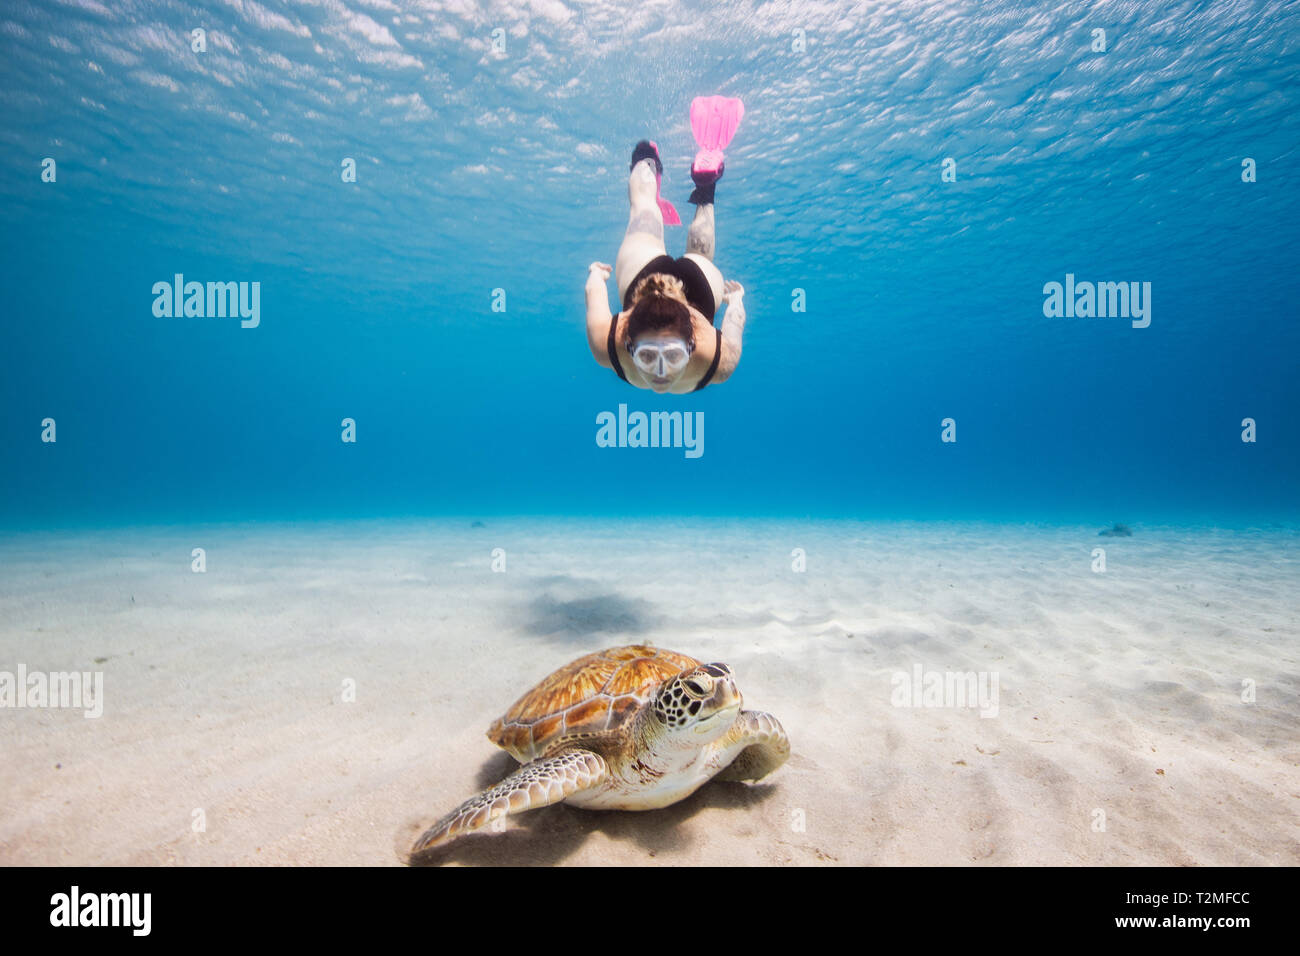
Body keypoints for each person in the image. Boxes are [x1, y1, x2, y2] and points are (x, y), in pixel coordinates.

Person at [586, 140, 746, 393]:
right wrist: (735, 300)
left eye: (673, 356)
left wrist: (596, 276)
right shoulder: (717, 363)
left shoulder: (606, 346)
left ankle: (701, 188)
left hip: (656, 279)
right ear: (629, 347)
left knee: (654, 222)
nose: (661, 374)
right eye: (647, 357)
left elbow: (593, 292)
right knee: (643, 212)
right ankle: (648, 160)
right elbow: (734, 325)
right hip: (695, 292)